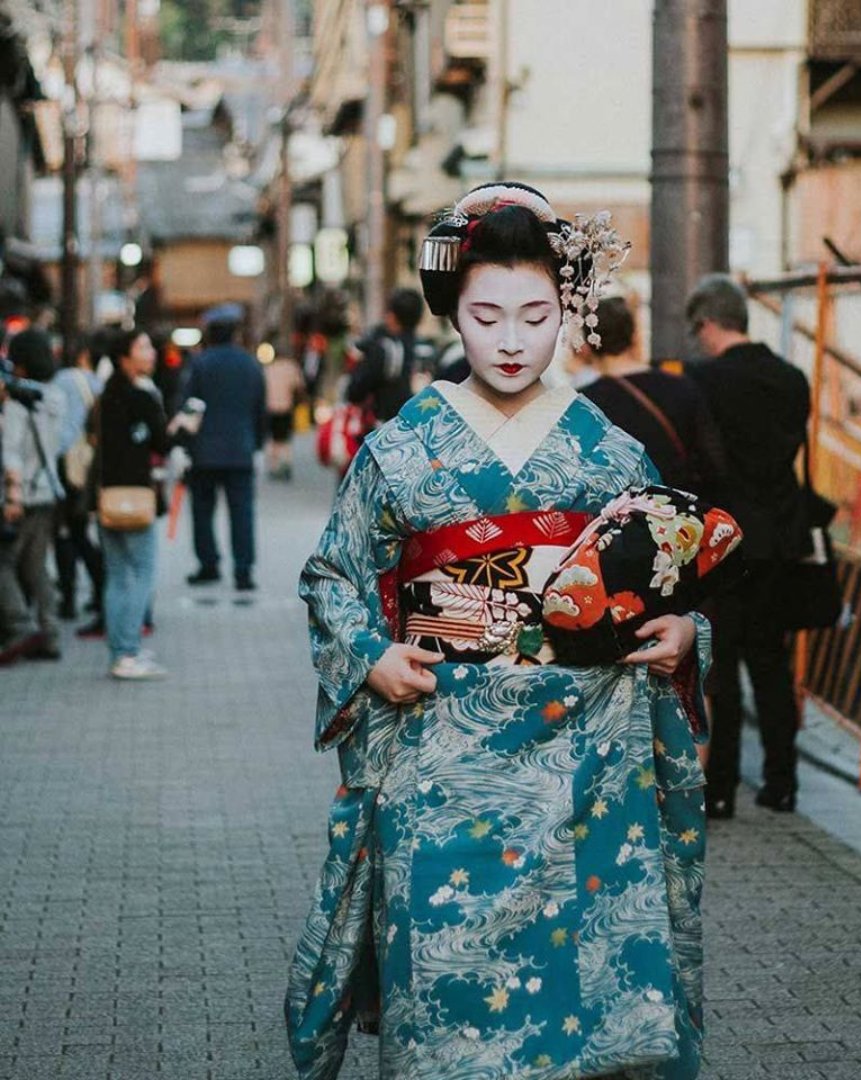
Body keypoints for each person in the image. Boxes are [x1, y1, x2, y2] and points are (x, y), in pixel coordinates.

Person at [285, 183, 713, 1080]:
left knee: (590, 1009)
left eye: (535, 314)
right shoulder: (401, 449)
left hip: (589, 760)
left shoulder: (612, 451)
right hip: (442, 757)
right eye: (485, 315)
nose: (511, 340)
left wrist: (681, 634)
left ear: (570, 312)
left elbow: (656, 588)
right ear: (455, 315)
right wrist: (370, 658)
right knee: (443, 998)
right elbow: (332, 574)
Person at [684, 274, 811, 818]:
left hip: (727, 542)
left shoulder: (703, 381)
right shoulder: (791, 379)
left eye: (698, 331)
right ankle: (782, 783)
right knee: (772, 664)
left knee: (725, 666)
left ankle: (721, 789)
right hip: (782, 538)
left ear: (709, 324)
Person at [579, 295, 727, 500]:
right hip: (680, 516)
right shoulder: (680, 386)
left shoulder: (584, 404)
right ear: (633, 336)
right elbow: (712, 463)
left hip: (619, 521)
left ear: (589, 343)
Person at [97, 329, 168, 680]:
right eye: (143, 346)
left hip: (106, 495)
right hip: (136, 495)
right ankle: (127, 653)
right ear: (125, 357)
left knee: (116, 576)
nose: (151, 351)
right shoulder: (141, 394)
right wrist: (182, 425)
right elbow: (162, 441)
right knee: (141, 573)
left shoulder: (106, 396)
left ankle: (120, 651)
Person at [182, 307, 265, 590]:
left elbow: (188, 406)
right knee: (242, 512)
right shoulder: (250, 364)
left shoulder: (199, 364)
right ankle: (243, 571)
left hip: (204, 451)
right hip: (241, 449)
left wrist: (185, 444)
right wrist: (257, 443)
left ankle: (209, 564)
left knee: (203, 511)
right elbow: (259, 407)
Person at [0, 329, 65, 663]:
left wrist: (12, 495)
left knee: (4, 562)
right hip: (47, 490)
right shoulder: (55, 397)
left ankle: (19, 625)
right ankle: (50, 633)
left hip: (22, 492)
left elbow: (10, 452)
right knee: (37, 566)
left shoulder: (17, 403)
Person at [53, 329, 105, 620]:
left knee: (66, 532)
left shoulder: (62, 381)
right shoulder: (99, 384)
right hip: (88, 467)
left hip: (65, 464)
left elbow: (60, 429)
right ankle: (98, 589)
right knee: (80, 530)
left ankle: (69, 595)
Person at [345, 286, 437, 423]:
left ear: (392, 316)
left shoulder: (385, 349)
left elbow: (355, 392)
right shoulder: (429, 349)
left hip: (390, 429)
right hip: (424, 426)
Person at [263, 343, 305, 480]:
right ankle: (286, 462)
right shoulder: (291, 367)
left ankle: (273, 466)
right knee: (285, 438)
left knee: (273, 438)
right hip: (286, 407)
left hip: (270, 407)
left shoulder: (268, 368)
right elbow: (299, 386)